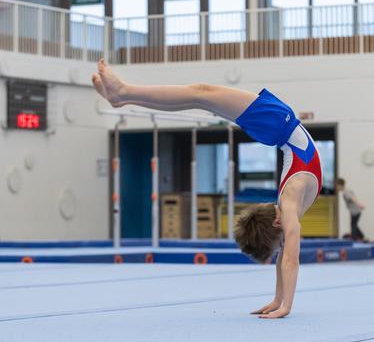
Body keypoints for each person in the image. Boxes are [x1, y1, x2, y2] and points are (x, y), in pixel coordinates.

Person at [92, 59, 322, 319]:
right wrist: (285, 306)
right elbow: (290, 260)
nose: (285, 245)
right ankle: (122, 93)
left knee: (200, 95)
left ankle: (123, 96)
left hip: (278, 126)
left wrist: (279, 299)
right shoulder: (290, 201)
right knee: (200, 94)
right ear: (278, 224)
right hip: (279, 124)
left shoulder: (289, 207)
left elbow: (284, 257)